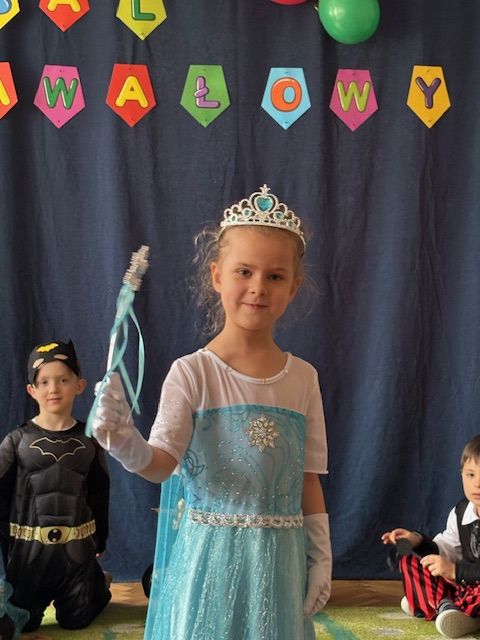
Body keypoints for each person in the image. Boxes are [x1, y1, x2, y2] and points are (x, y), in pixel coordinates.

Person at [92, 185, 332, 640]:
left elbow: (307, 478)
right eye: (244, 271)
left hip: (279, 562)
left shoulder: (303, 378)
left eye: (275, 276)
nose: (258, 287)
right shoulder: (192, 373)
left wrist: (320, 557)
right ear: (218, 275)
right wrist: (125, 441)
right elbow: (161, 464)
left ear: (294, 287)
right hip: (210, 563)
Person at [0, 340, 111, 633]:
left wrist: (100, 539)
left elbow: (100, 492)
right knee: (22, 624)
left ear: (80, 385)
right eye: (44, 382)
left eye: (63, 380)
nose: (54, 389)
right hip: (28, 554)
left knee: (76, 621)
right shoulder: (16, 441)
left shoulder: (90, 440)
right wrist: (7, 547)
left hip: (77, 553)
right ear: (31, 390)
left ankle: (97, 585)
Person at [381, 434, 480, 639]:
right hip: (465, 586)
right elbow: (447, 548)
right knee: (411, 559)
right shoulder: (461, 512)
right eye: (470, 475)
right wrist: (416, 541)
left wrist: (455, 571)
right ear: (461, 474)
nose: (477, 484)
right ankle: (446, 605)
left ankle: (438, 605)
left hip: (474, 586)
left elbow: (454, 569)